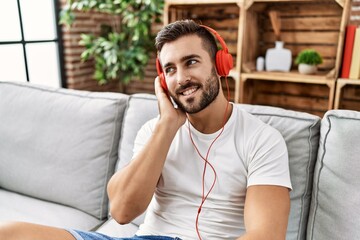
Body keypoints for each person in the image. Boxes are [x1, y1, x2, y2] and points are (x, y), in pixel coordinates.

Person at [0, 19, 291, 240]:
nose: (182, 78)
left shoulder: (262, 140)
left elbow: (265, 235)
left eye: (191, 62)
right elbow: (122, 212)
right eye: (170, 69)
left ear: (219, 65)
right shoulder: (155, 130)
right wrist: (167, 126)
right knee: (11, 232)